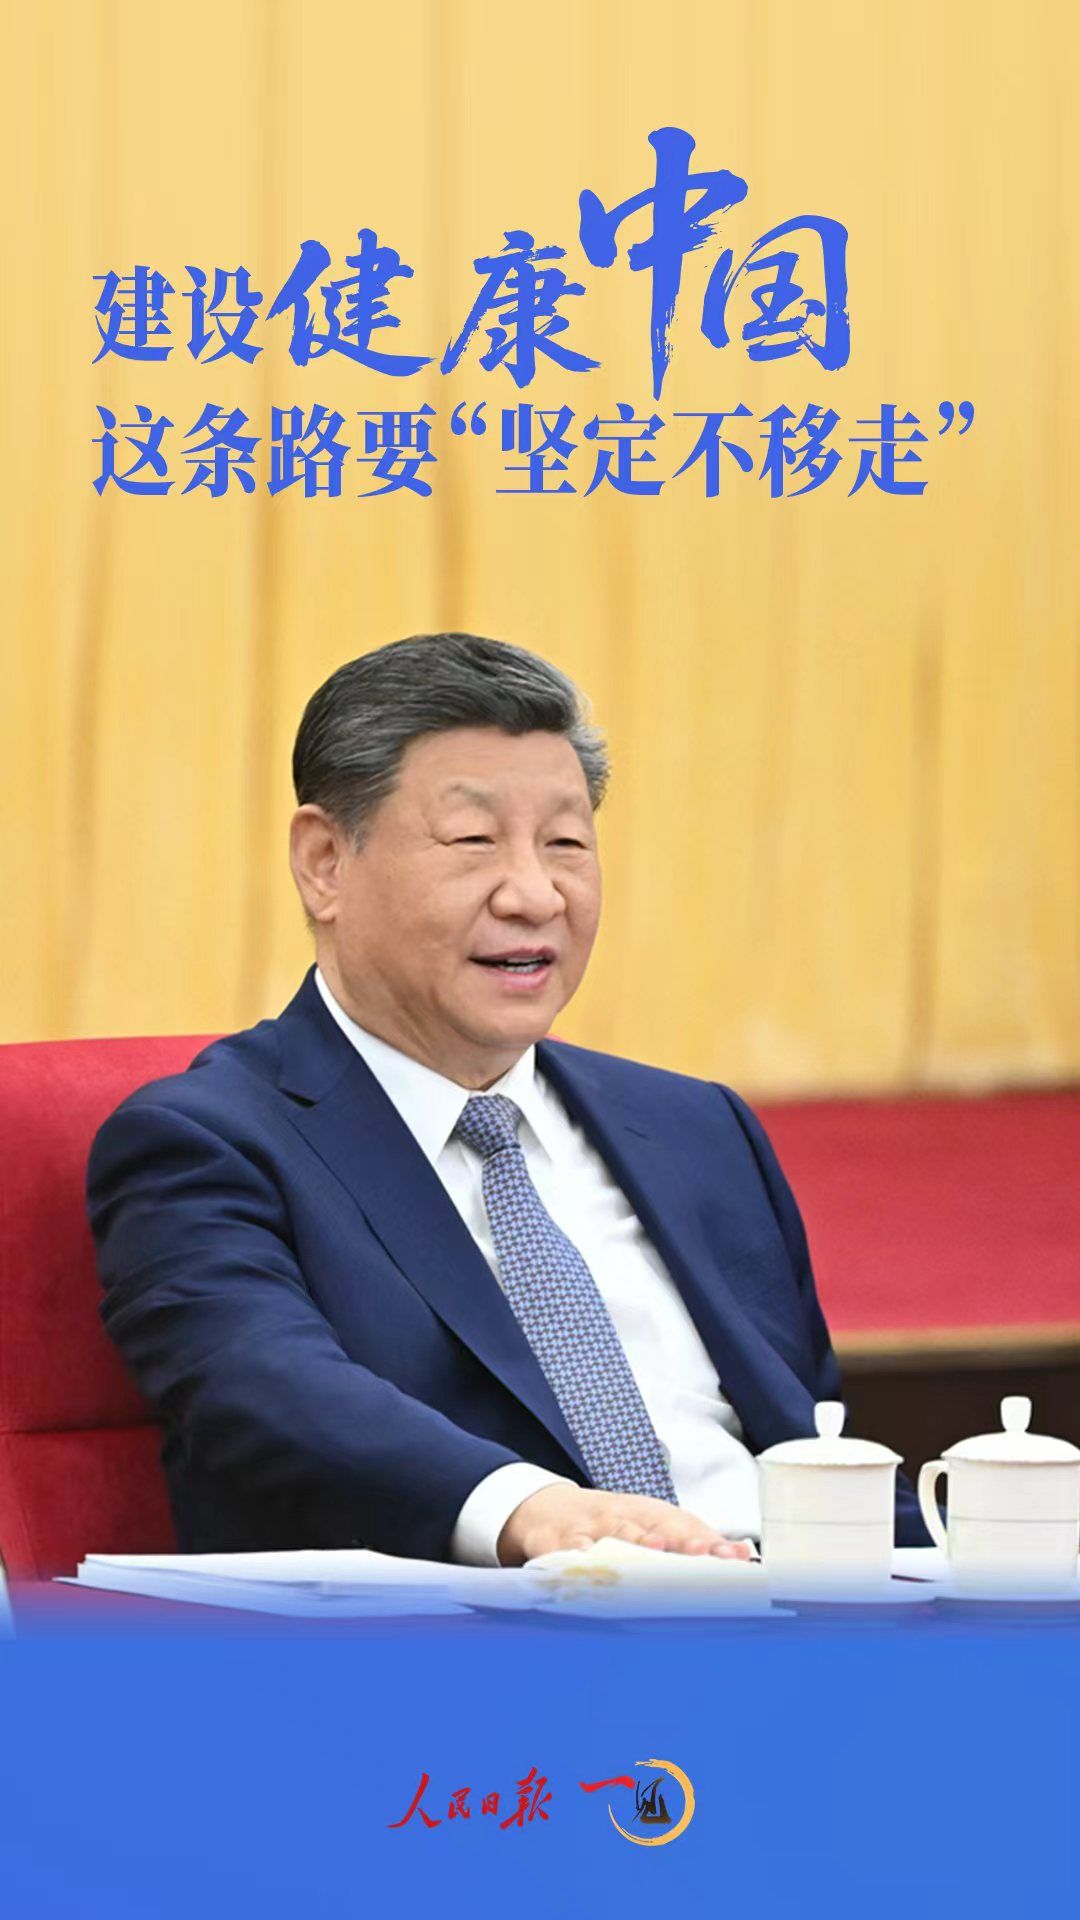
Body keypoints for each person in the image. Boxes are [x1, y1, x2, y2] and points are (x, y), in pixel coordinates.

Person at [88, 633, 928, 1567]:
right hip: (504, 1629)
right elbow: (265, 1385)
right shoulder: (206, 1143)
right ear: (325, 862)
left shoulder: (699, 1129)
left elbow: (820, 1443)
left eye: (566, 843)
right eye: (473, 841)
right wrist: (535, 1512)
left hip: (803, 1612)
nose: (535, 895)